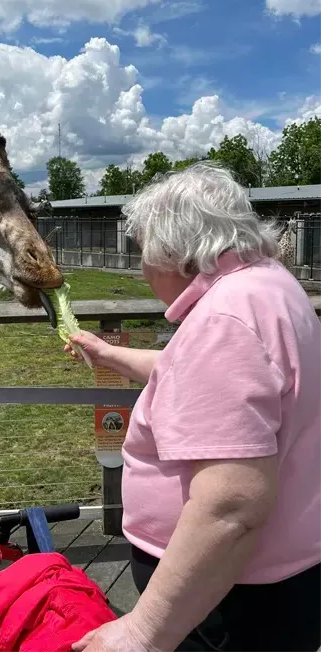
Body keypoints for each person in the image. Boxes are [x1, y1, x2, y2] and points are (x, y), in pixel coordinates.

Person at [62, 162, 321, 652]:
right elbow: (189, 374)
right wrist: (107, 353)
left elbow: (231, 505)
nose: (142, 270)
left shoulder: (225, 319)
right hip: (277, 583)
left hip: (228, 601)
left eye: (143, 253)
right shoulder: (269, 287)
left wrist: (142, 633)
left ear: (173, 253)